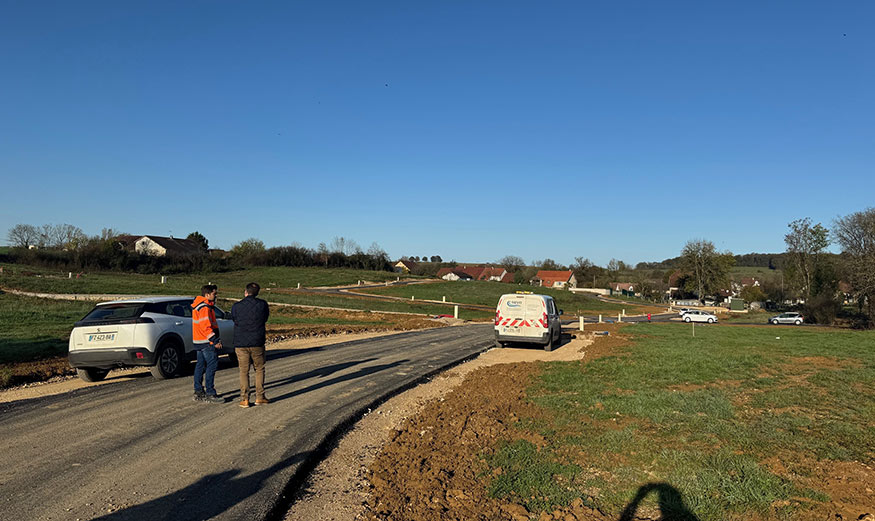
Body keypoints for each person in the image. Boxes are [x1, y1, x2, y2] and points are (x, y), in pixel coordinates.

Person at [231, 282, 270, 408]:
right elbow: (265, 318)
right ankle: (260, 396)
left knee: (243, 370)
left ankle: (245, 398)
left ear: (245, 292)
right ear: (257, 293)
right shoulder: (262, 304)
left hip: (241, 342)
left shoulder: (236, 306)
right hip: (257, 341)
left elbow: (235, 319)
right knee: (259, 368)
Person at [192, 284, 224, 403]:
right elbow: (206, 326)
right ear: (207, 295)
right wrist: (215, 340)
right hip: (206, 342)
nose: (215, 296)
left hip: (199, 341)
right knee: (212, 365)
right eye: (214, 294)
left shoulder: (198, 306)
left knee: (200, 366)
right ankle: (210, 393)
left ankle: (198, 391)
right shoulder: (205, 307)